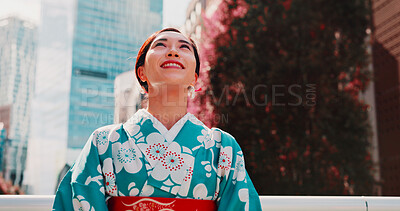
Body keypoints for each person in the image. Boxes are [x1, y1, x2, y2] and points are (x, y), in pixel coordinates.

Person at [53, 28, 262, 211]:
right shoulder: (104, 143)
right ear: (141, 72)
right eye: (161, 45)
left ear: (194, 78)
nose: (172, 51)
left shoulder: (223, 148)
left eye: (184, 47)